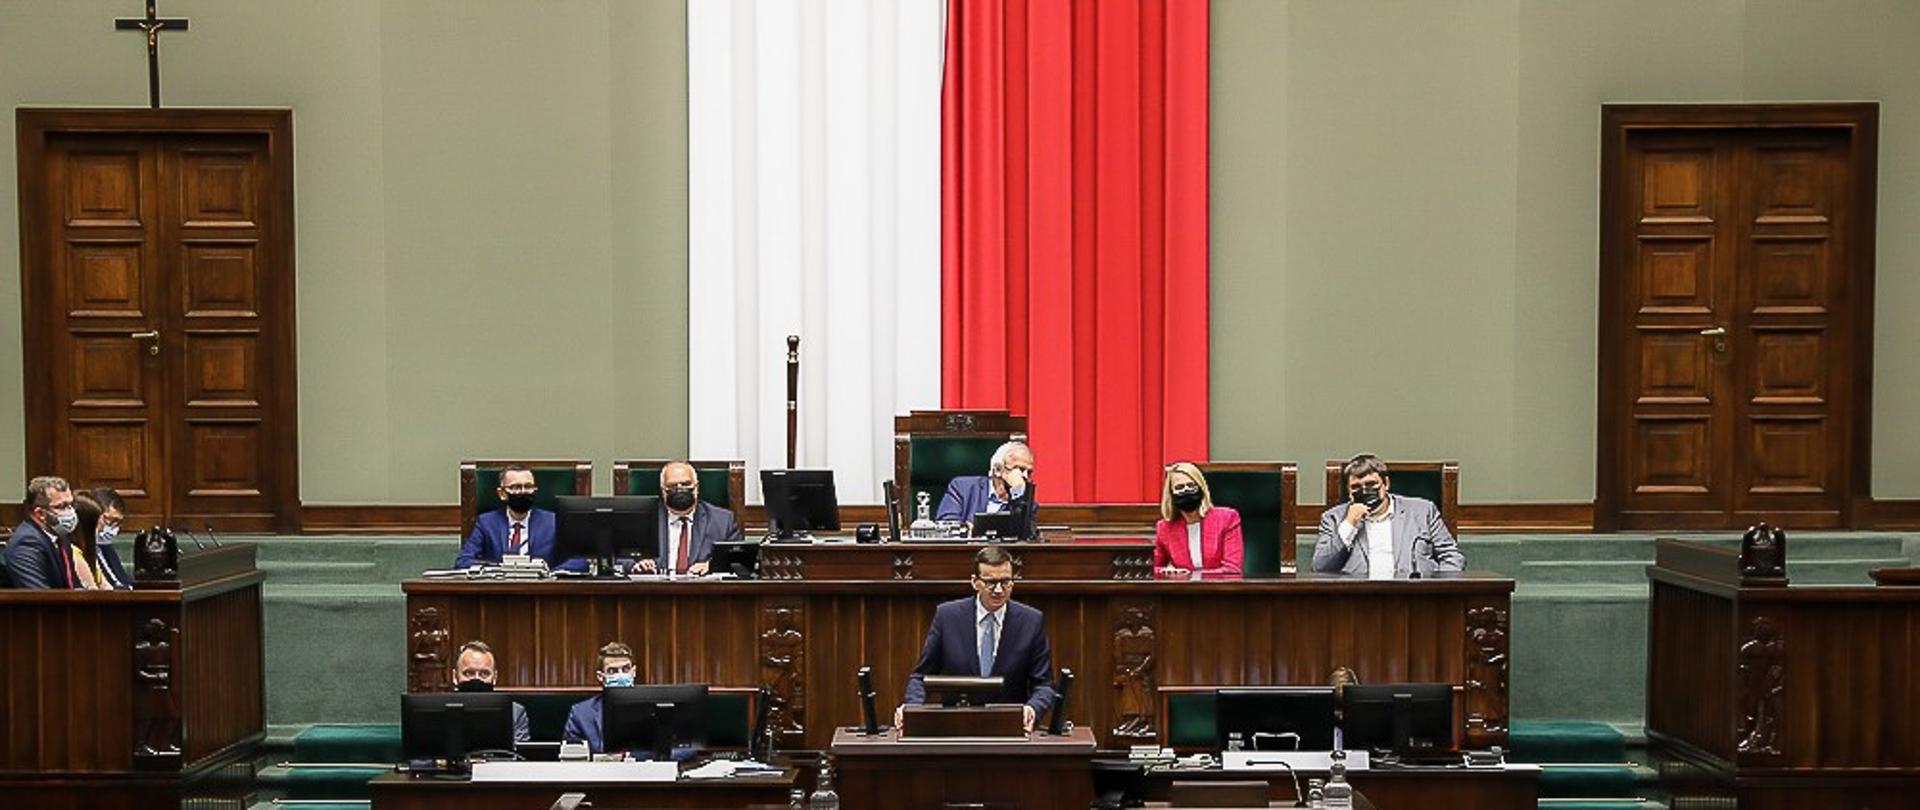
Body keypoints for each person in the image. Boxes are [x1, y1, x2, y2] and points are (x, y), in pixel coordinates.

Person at [898, 545, 1056, 732]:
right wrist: (912, 710)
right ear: (975, 582)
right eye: (991, 582)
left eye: (1005, 582)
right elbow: (920, 677)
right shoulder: (948, 617)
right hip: (954, 729)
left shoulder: (1031, 621)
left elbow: (1044, 684)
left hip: (1009, 730)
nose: (999, 590)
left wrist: (1033, 708)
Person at [1311, 454, 1464, 578]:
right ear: (1348, 491)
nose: (1364, 491)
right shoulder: (1334, 518)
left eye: (1371, 484)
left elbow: (1452, 556)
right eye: (1356, 487)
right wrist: (1349, 524)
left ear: (1386, 484)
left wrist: (1438, 590)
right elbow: (1321, 568)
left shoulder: (1422, 511)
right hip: (1357, 601)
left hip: (1416, 598)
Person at [635, 461, 742, 576]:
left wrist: (711, 566)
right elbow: (618, 559)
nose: (680, 489)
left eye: (686, 484)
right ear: (662, 490)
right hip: (653, 590)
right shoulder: (642, 519)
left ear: (697, 487)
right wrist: (638, 565)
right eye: (672, 486)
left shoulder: (723, 521)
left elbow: (738, 560)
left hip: (704, 591)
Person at [454, 465, 567, 569]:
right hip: (499, 588)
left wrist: (550, 574)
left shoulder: (554, 522)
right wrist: (500, 569)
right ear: (502, 494)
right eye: (516, 487)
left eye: (528, 487)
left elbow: (579, 561)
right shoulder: (486, 523)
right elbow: (463, 561)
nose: (523, 492)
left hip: (542, 588)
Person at [1153, 462, 1244, 577]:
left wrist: (1191, 575)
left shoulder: (1227, 518)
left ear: (1201, 488)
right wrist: (1168, 572)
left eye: (1191, 486)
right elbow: (1151, 568)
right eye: (1179, 487)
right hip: (1183, 592)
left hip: (1220, 590)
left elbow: (1232, 569)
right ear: (1171, 495)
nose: (1186, 491)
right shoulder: (1165, 528)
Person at [935, 441, 1036, 531]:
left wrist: (1017, 494)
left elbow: (1021, 535)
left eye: (1029, 472)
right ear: (998, 470)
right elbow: (946, 524)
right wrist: (966, 529)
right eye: (1020, 469)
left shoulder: (1028, 504)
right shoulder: (962, 488)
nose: (1026, 476)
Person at [5, 476, 83, 590]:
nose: (70, 512)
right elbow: (40, 596)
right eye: (61, 507)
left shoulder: (60, 536)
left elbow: (72, 585)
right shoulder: (25, 544)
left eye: (70, 505)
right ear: (40, 513)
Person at [450, 640, 531, 744]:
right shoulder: (438, 711)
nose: (477, 679)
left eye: (484, 674)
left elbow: (518, 756)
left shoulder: (515, 713)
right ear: (455, 677)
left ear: (495, 677)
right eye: (469, 673)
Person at [69, 491, 130, 590]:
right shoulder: (74, 553)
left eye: (116, 522)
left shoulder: (103, 548)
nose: (104, 526)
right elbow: (94, 592)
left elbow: (111, 585)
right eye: (105, 519)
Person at [86, 488, 136, 589]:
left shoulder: (105, 546)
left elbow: (122, 580)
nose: (111, 526)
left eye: (116, 522)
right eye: (107, 519)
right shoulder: (83, 549)